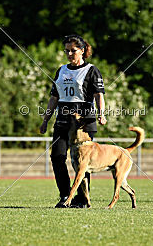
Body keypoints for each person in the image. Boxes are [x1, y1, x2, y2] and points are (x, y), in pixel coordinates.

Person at [40, 34, 107, 208]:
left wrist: (102, 114)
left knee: (81, 163)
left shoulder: (91, 70)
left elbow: (98, 94)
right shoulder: (61, 70)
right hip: (63, 120)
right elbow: (54, 97)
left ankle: (83, 199)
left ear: (82, 51)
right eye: (67, 51)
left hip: (83, 122)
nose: (69, 54)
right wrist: (46, 119)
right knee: (57, 156)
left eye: (73, 50)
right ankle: (64, 196)